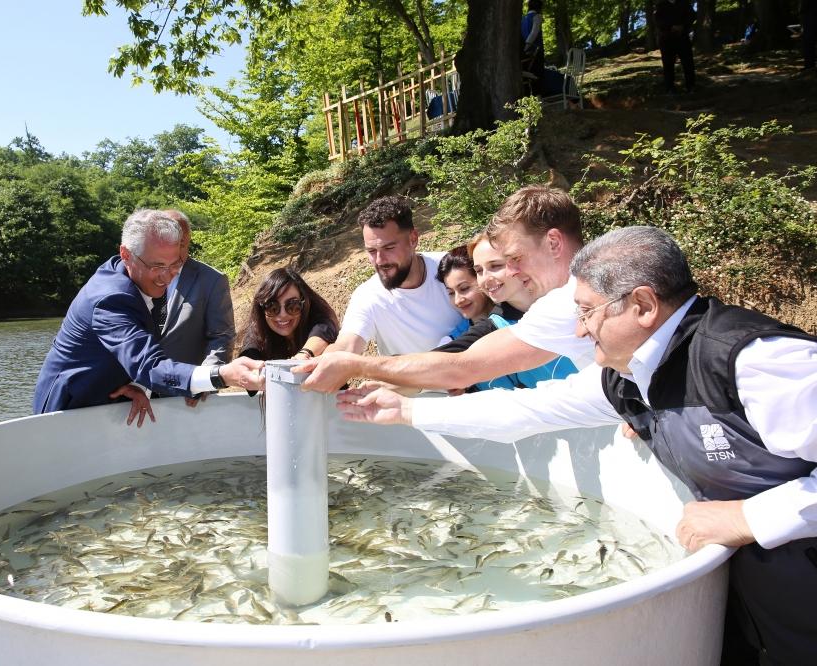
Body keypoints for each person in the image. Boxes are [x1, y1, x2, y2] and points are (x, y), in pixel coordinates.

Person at [338, 226, 817, 665]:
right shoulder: (628, 377)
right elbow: (527, 410)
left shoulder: (756, 362)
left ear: (644, 306)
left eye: (587, 312)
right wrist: (406, 412)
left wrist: (746, 517)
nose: (578, 332)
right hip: (755, 607)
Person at [299, 185, 590, 393]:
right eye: (479, 270)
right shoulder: (530, 316)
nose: (490, 278)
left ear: (413, 239)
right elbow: (456, 360)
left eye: (510, 260)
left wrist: (358, 367)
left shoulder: (582, 297)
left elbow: (463, 366)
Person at [33, 209, 263, 418]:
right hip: (68, 411)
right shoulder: (110, 299)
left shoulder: (140, 277)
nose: (168, 276)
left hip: (112, 400)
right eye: (157, 266)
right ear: (125, 254)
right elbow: (149, 364)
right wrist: (221, 375)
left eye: (175, 265)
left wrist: (133, 384)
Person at [434, 234, 577, 392]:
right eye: (480, 270)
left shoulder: (572, 294)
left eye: (495, 266)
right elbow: (440, 364)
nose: (486, 278)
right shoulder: (493, 326)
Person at [323, 195, 462, 357]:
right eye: (372, 251)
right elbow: (347, 345)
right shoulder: (368, 296)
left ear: (413, 239)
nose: (380, 261)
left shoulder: (451, 269)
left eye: (389, 248)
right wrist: (317, 363)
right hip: (408, 381)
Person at [158, 209, 236, 407]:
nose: (174, 251)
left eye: (180, 243)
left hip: (188, 397)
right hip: (135, 393)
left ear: (189, 239)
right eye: (167, 242)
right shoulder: (139, 275)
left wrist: (205, 379)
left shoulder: (212, 280)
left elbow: (221, 337)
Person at [238, 267, 340, 362]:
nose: (283, 315)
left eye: (292, 306)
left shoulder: (318, 319)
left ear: (303, 303)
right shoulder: (256, 333)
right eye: (272, 308)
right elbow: (248, 357)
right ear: (261, 308)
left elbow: (323, 331)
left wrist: (305, 354)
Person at [655, 0, 696, 93]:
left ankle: (691, 86)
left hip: (683, 38)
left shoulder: (684, 3)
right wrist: (670, 27)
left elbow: (692, 16)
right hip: (666, 40)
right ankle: (670, 88)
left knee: (688, 63)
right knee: (668, 64)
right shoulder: (661, 5)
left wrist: (683, 26)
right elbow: (658, 21)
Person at [521, 0, 545, 85]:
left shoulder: (522, 19)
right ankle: (539, 97)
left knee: (527, 79)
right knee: (538, 76)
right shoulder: (537, 16)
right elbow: (534, 33)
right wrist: (526, 47)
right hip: (536, 51)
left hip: (525, 53)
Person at [803, 0, 816, 70]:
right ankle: (809, 65)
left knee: (808, 39)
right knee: (808, 40)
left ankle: (809, 65)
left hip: (810, 11)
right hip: (809, 11)